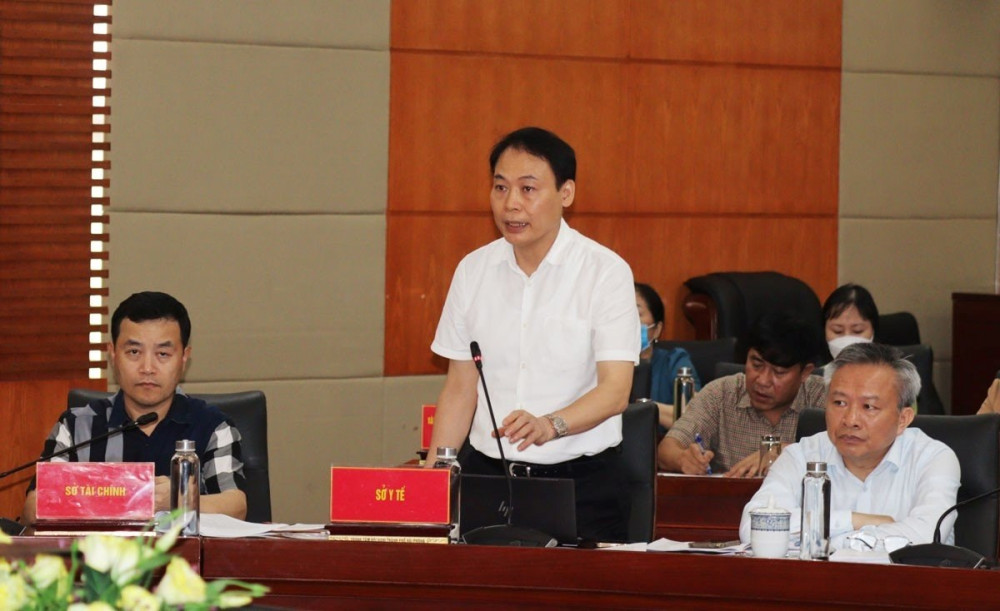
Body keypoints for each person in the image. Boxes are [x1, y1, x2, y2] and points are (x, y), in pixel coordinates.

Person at [428, 127, 639, 541]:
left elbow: (615, 391)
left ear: (566, 193)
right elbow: (459, 389)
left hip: (581, 486)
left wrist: (550, 425)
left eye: (528, 189)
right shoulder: (473, 271)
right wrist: (434, 479)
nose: (511, 204)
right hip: (487, 480)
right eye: (500, 187)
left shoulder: (605, 272)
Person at [22, 291, 247, 525]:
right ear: (113, 354)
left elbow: (236, 506)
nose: (147, 368)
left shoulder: (212, 426)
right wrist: (131, 496)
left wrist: (178, 499)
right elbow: (33, 508)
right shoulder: (77, 426)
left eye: (163, 354)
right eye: (134, 352)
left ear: (183, 357)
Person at [739, 343, 960, 550]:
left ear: (903, 419)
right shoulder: (801, 455)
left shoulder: (933, 459)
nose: (850, 419)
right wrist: (854, 520)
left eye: (869, 407)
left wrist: (825, 539)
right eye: (840, 403)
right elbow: (754, 527)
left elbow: (926, 538)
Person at [657, 311, 826, 477]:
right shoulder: (721, 393)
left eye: (779, 372)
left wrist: (788, 451)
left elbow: (839, 452)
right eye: (756, 364)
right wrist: (683, 459)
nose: (762, 381)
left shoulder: (825, 398)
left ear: (805, 372)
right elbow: (666, 449)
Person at [634, 282, 701, 430]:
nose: (627, 322)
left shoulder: (674, 361)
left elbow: (695, 417)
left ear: (657, 329)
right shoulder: (598, 365)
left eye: (636, 314)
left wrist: (639, 407)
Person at [823, 283, 879, 360]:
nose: (847, 339)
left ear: (873, 330)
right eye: (837, 331)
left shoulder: (890, 366)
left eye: (857, 331)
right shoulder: (813, 367)